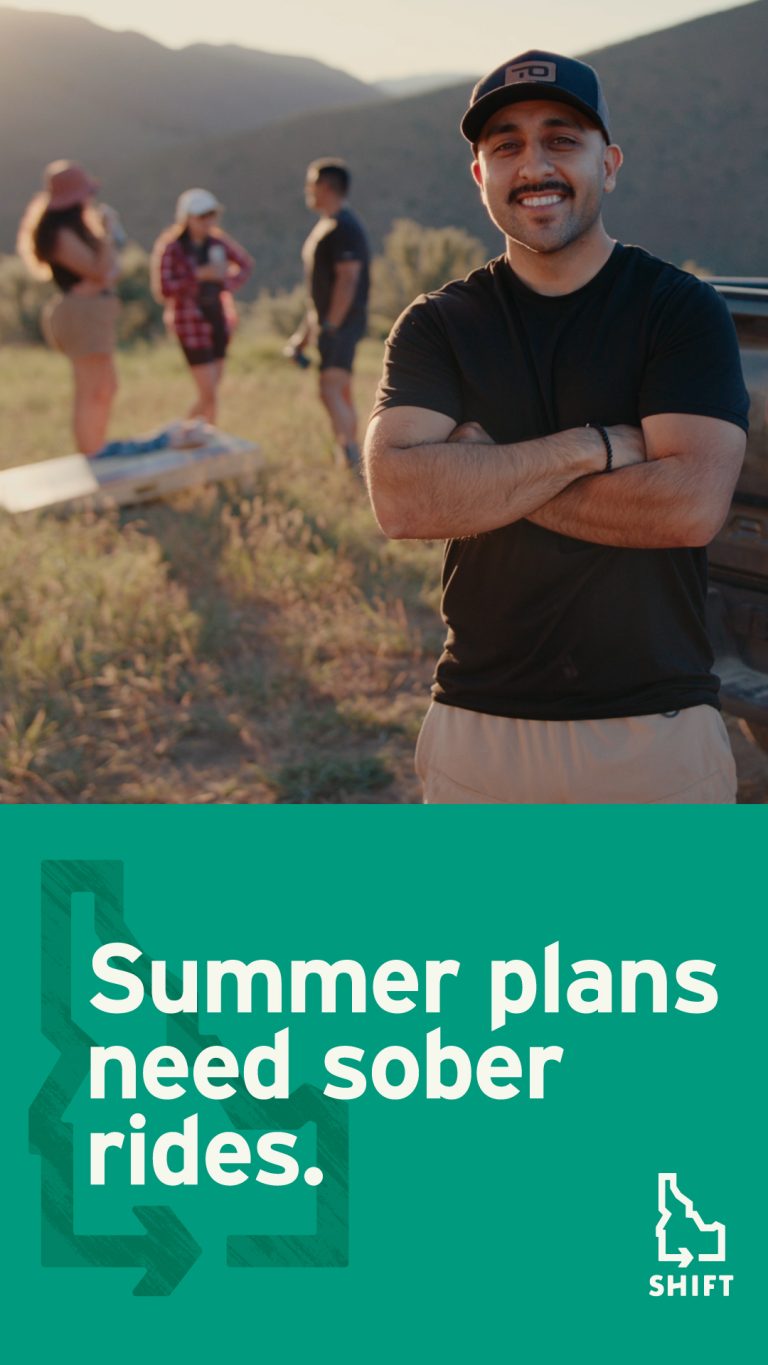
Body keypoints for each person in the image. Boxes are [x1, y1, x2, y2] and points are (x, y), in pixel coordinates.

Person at [364, 50, 749, 805]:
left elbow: (689, 506)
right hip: (479, 730)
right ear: (481, 176)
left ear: (608, 163)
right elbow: (402, 499)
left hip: (656, 730)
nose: (533, 164)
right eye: (506, 145)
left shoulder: (679, 312)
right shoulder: (439, 325)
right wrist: (593, 448)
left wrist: (485, 477)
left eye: (561, 139)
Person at [17, 160, 121, 455]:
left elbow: (109, 270)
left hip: (92, 312)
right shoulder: (60, 235)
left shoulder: (72, 230)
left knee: (106, 387)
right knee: (91, 390)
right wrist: (107, 233)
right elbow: (100, 270)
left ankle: (96, 448)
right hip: (81, 314)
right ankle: (91, 455)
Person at [288, 158, 370, 470]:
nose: (307, 191)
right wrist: (304, 337)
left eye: (311, 184)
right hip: (331, 325)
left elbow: (348, 280)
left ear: (325, 187)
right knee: (338, 388)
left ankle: (351, 455)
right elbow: (318, 293)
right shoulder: (329, 225)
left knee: (331, 388)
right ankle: (350, 451)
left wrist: (330, 326)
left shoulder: (343, 227)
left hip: (341, 325)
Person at [152, 189, 253, 425]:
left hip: (217, 317)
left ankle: (203, 436)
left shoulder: (218, 242)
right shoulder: (172, 248)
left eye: (211, 216)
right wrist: (198, 275)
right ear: (187, 218)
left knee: (212, 391)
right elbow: (163, 289)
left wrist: (226, 284)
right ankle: (186, 432)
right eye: (201, 216)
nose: (207, 222)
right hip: (190, 324)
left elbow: (245, 264)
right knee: (208, 392)